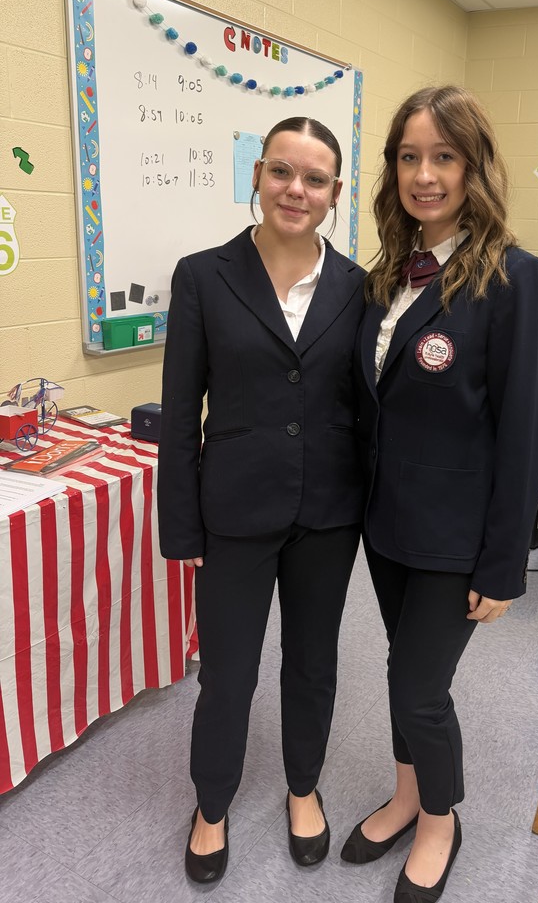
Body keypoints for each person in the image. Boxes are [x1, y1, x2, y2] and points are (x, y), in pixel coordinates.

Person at [342, 86, 538, 902]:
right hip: (387, 524)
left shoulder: (513, 277)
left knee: (419, 691)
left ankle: (441, 821)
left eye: (443, 157)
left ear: (474, 168)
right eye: (408, 157)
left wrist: (504, 563)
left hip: (456, 532)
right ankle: (405, 795)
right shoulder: (392, 272)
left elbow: (521, 428)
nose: (423, 174)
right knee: (403, 669)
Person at [158, 116, 365, 883]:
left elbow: (364, 407)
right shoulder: (203, 276)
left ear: (334, 193)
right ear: (257, 175)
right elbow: (182, 412)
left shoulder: (357, 286)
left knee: (313, 664)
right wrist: (181, 525)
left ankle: (302, 788)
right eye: (282, 172)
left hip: (328, 514)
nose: (296, 190)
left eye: (314, 179)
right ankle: (211, 804)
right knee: (229, 671)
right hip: (234, 512)